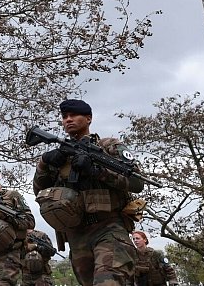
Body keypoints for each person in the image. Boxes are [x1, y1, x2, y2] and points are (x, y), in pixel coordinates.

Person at [32, 99, 143, 286]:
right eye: (64, 117)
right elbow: (39, 191)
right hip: (77, 235)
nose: (68, 120)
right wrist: (44, 163)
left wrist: (97, 170)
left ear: (89, 118)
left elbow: (136, 182)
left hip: (108, 228)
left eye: (74, 115)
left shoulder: (109, 147)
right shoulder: (60, 155)